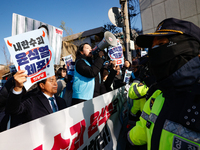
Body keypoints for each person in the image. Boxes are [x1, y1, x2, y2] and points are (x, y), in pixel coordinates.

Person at [127, 18, 200, 149]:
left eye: (160, 44)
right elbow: (145, 128)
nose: (154, 51)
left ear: (189, 47)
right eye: (152, 47)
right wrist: (128, 137)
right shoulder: (157, 94)